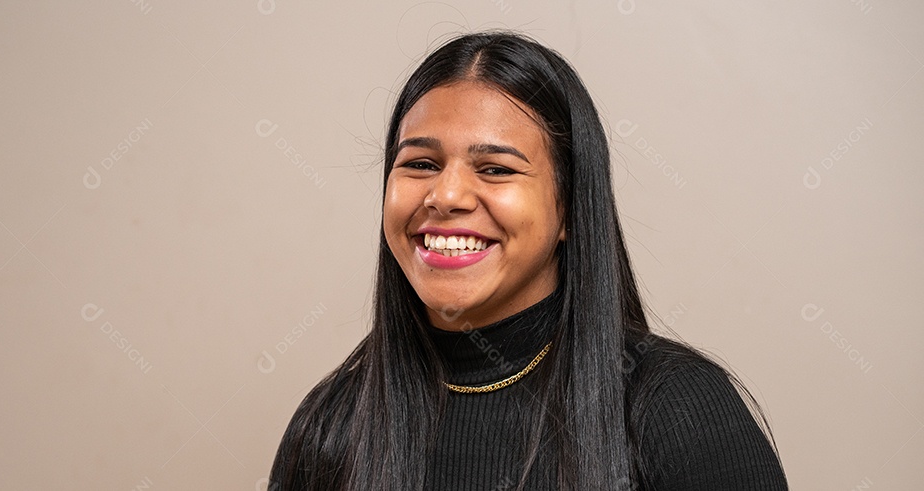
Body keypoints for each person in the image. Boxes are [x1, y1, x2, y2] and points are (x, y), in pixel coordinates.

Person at [268, 31, 789, 490]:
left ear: (568, 208)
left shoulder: (677, 409)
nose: (445, 195)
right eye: (421, 164)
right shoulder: (330, 426)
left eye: (494, 169)